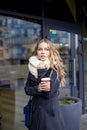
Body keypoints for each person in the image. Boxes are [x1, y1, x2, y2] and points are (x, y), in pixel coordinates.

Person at [24, 38, 66, 130]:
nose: (43, 52)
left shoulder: (55, 69)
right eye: (40, 49)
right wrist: (37, 89)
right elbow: (27, 89)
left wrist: (42, 72)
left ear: (50, 52)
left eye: (46, 49)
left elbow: (48, 94)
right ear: (36, 52)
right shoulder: (32, 68)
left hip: (49, 114)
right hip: (35, 112)